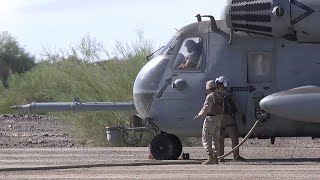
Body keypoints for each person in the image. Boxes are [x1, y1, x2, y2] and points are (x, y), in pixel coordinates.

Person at [215, 76, 245, 161]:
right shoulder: (230, 94)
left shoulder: (215, 95)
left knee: (220, 139)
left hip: (219, 119)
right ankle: (236, 156)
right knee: (234, 138)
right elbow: (237, 105)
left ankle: (220, 157)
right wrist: (241, 114)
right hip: (229, 118)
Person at [193, 80, 223, 165]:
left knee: (206, 138)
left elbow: (206, 107)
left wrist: (199, 115)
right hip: (218, 119)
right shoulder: (220, 96)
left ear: (208, 88)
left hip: (210, 119)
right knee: (216, 139)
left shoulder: (210, 96)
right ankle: (216, 158)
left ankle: (210, 157)